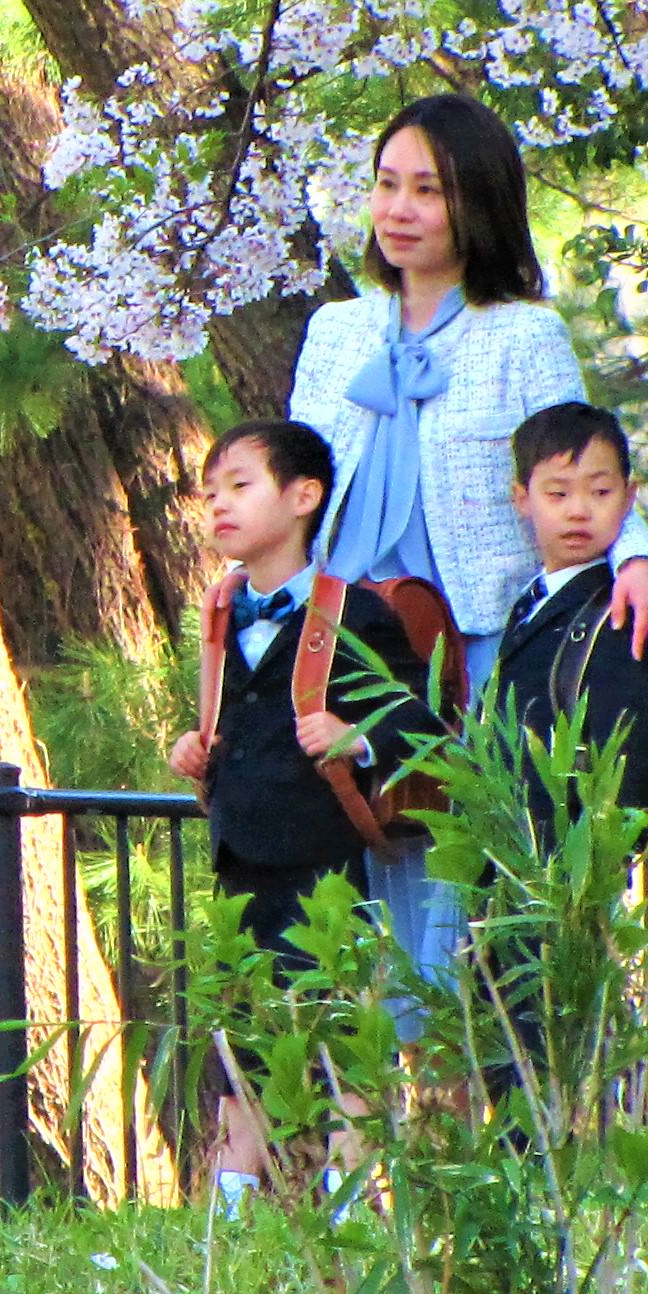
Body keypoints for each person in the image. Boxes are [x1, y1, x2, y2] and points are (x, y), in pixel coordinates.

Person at [284, 93, 648, 1002]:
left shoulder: (523, 333)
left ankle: (484, 1072)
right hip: (351, 649)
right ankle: (394, 1081)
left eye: (429, 190)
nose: (400, 209)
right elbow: (292, 481)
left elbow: (581, 466)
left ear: (479, 202)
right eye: (387, 184)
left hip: (478, 647)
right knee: (367, 886)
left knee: (468, 893)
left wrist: (639, 559)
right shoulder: (337, 331)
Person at [164, 419, 442, 1203]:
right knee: (242, 1051)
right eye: (210, 493)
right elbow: (237, 720)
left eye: (239, 486)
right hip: (239, 867)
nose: (219, 505)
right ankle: (231, 1220)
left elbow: (420, 719)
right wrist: (197, 746)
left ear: (304, 496)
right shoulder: (222, 613)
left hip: (326, 871)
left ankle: (352, 1213)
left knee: (344, 1045)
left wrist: (357, 736)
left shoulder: (352, 612)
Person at [485, 402, 648, 809]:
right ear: (522, 498)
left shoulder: (622, 610)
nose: (578, 511)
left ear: (629, 496)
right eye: (558, 494)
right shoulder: (531, 600)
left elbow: (625, 766)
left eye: (601, 492)